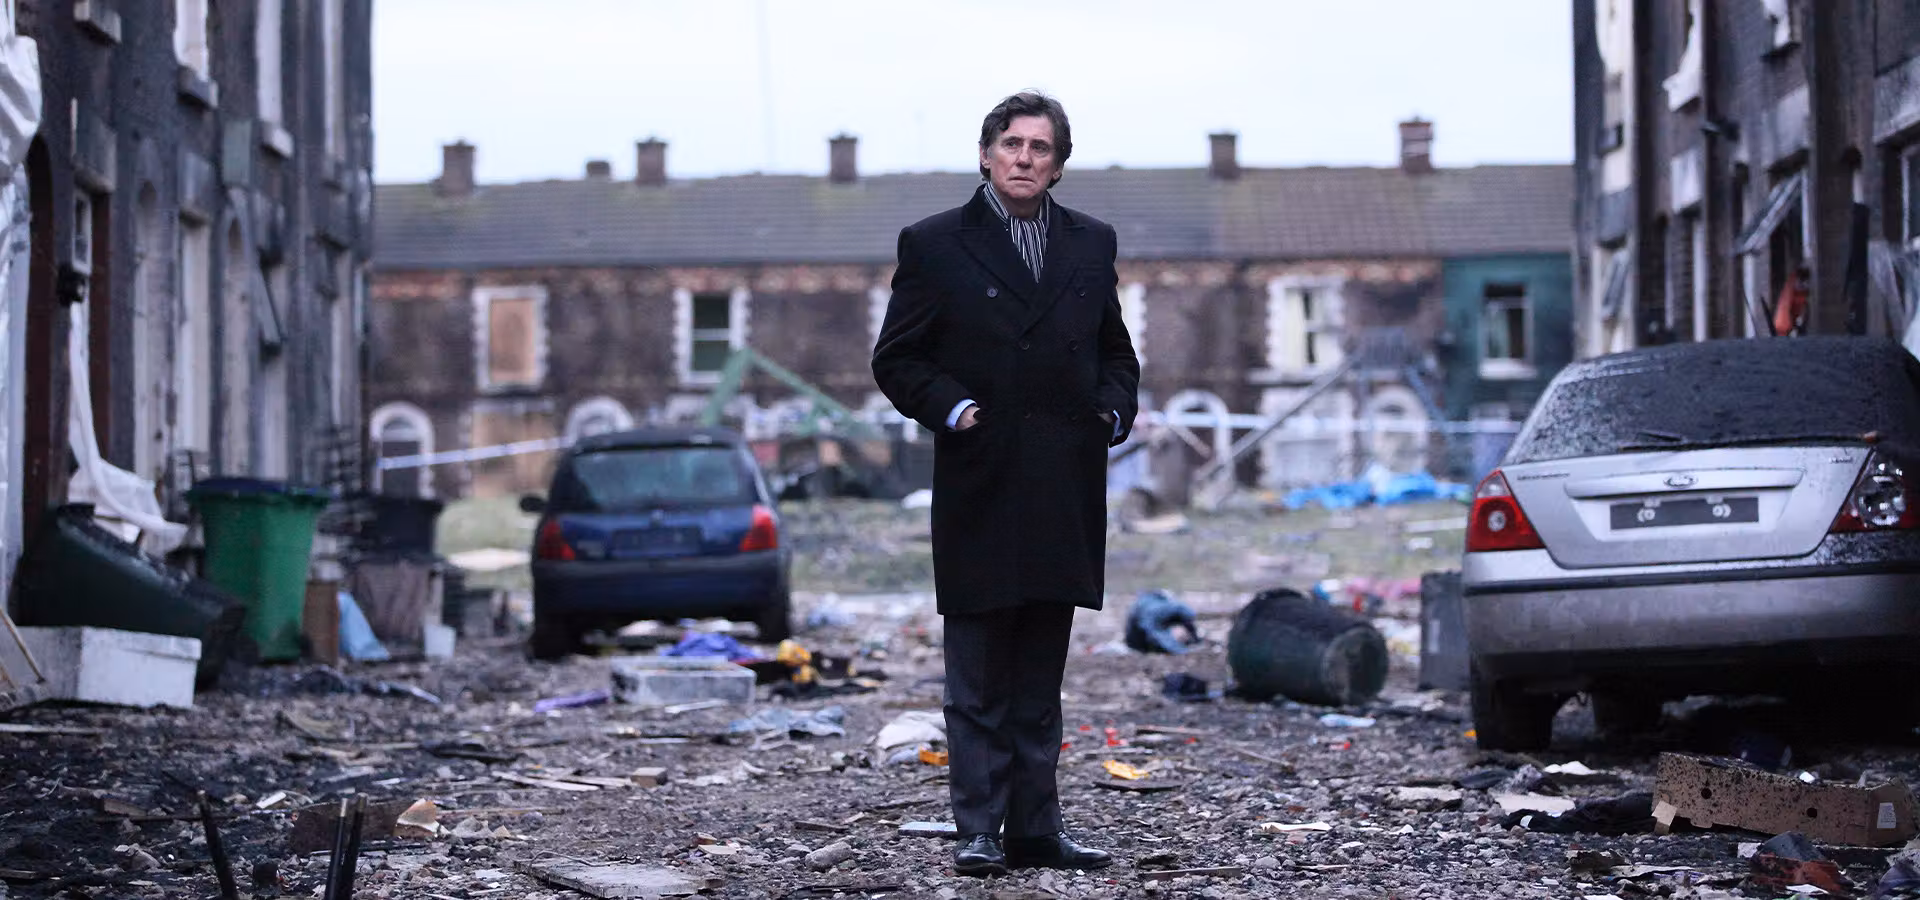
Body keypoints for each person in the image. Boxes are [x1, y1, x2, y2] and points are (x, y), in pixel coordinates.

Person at [872, 91, 1140, 877]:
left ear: (1058, 165)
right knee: (979, 672)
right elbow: (898, 358)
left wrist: (1111, 412)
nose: (1025, 158)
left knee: (1039, 674)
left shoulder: (1091, 242)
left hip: (1063, 478)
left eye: (1040, 147)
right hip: (982, 476)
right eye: (1012, 144)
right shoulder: (935, 244)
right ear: (987, 154)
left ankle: (1035, 829)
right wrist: (955, 410)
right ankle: (979, 830)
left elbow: (1116, 353)